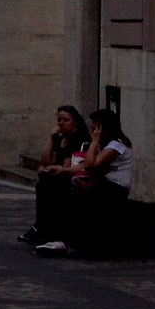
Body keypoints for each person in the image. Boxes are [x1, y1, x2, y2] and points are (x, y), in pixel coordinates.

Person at [35, 108, 134, 256]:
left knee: (74, 198)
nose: (92, 127)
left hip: (114, 188)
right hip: (104, 184)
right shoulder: (106, 144)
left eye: (95, 124)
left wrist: (94, 141)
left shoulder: (116, 146)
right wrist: (63, 170)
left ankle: (68, 241)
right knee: (60, 190)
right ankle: (52, 234)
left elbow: (89, 165)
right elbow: (84, 165)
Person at [23, 105, 90, 246]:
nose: (61, 124)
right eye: (59, 120)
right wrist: (51, 138)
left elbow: (68, 166)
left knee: (49, 185)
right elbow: (46, 160)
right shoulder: (60, 139)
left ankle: (44, 228)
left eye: (66, 120)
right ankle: (40, 226)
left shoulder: (80, 140)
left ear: (75, 122)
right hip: (58, 176)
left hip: (71, 178)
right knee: (43, 184)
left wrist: (50, 168)